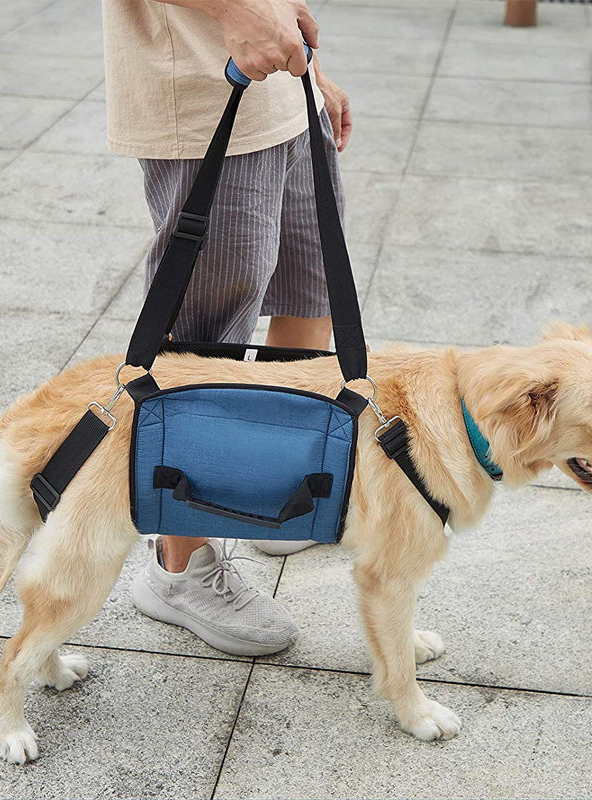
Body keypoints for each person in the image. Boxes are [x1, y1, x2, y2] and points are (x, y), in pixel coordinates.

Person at [103, 0, 352, 657]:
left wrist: (311, 74)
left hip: (284, 91)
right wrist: (236, 9)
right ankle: (178, 567)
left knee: (312, 293)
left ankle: (274, 493)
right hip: (205, 85)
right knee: (204, 340)